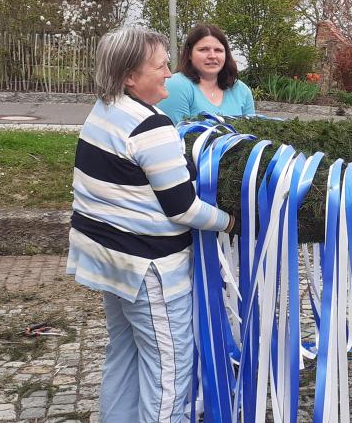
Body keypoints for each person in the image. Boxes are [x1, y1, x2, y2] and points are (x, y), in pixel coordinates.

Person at [66, 26, 235, 422]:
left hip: (109, 261)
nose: (168, 75)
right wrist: (231, 222)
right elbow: (182, 208)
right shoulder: (149, 126)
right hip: (149, 269)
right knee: (169, 372)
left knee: (124, 354)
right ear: (129, 76)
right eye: (160, 67)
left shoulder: (105, 108)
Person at [156, 23, 255, 124]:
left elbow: (254, 133)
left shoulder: (241, 90)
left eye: (218, 50)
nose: (212, 56)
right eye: (203, 49)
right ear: (190, 54)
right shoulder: (176, 86)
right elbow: (176, 135)